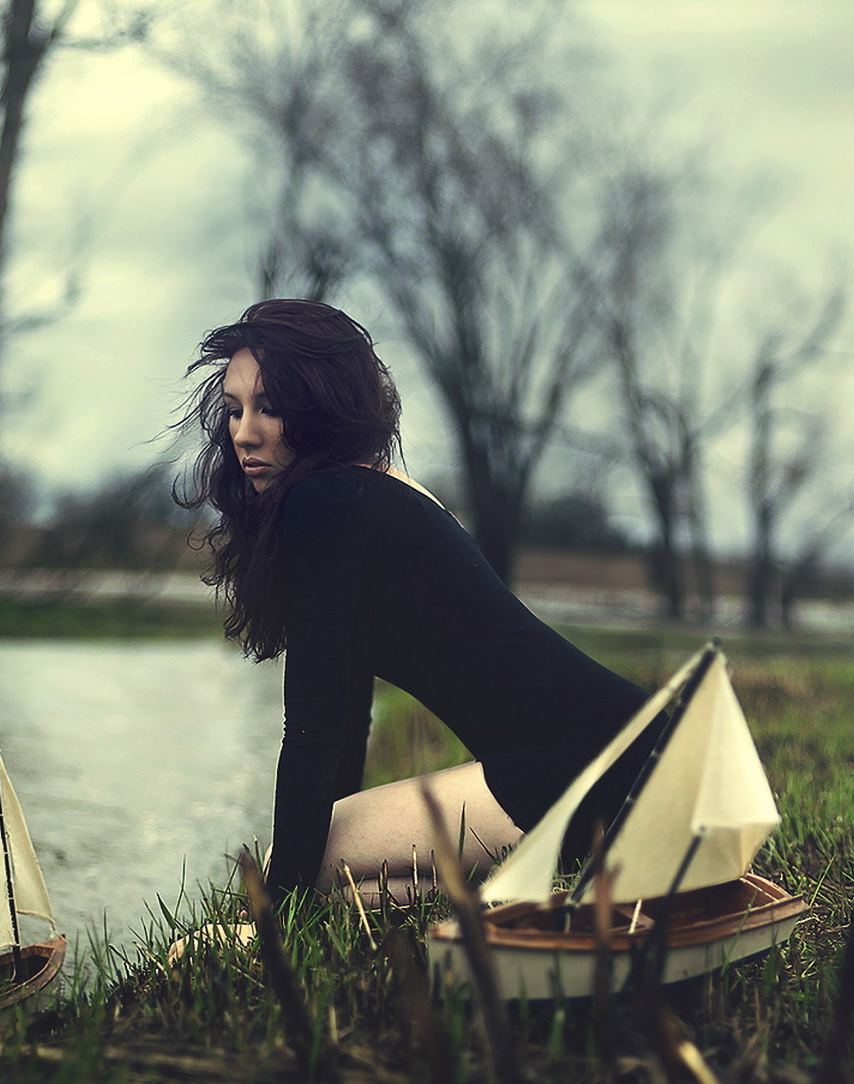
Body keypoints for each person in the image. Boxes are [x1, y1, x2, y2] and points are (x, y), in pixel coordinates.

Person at [176, 298, 647, 904]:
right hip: (625, 756)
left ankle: (284, 922)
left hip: (593, 767)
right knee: (322, 872)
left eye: (271, 407)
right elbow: (346, 720)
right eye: (234, 409)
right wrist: (308, 868)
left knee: (296, 864)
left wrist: (275, 908)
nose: (244, 433)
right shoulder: (368, 491)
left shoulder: (326, 502)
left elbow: (313, 730)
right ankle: (508, 896)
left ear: (321, 404)